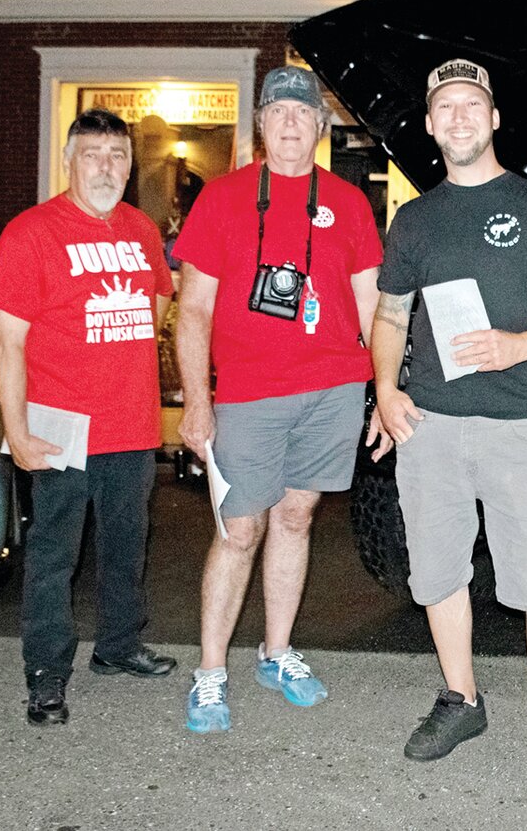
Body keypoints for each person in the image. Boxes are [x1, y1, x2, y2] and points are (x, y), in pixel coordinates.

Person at [367, 59, 527, 802]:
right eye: (446, 108)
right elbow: (391, 315)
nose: (460, 117)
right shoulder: (415, 219)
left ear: (494, 118)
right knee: (438, 573)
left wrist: (515, 344)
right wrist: (383, 389)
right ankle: (462, 699)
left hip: (516, 424)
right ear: (430, 126)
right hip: (429, 425)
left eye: (473, 104)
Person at [175, 65, 382, 731]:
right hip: (248, 393)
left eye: (304, 113)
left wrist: (382, 389)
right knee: (239, 529)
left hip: (333, 389)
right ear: (260, 126)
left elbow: (373, 302)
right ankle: (210, 672)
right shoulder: (223, 198)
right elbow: (194, 310)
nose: (291, 122)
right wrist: (196, 402)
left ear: (321, 128)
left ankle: (276, 650)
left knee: (296, 518)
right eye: (279, 112)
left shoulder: (349, 203)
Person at [0, 109, 178, 727]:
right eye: (92, 153)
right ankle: (46, 673)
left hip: (130, 423)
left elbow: (152, 313)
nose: (106, 166)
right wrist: (16, 429)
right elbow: (8, 342)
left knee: (127, 545)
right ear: (68, 159)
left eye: (118, 155)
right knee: (54, 555)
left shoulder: (143, 231)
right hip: (59, 424)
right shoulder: (32, 232)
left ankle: (119, 647)